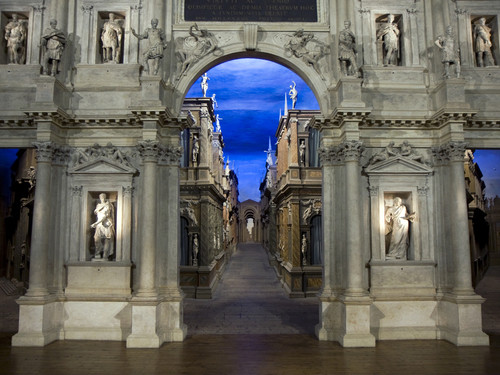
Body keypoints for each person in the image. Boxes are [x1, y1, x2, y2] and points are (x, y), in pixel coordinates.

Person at [90, 193, 115, 260]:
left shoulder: (107, 205)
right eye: (101, 197)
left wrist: (95, 223)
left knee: (107, 240)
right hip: (99, 225)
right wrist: (97, 223)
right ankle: (98, 253)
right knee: (96, 239)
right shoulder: (98, 205)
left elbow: (104, 216)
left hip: (106, 224)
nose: (102, 198)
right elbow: (97, 214)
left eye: (103, 197)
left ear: (105, 197)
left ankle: (105, 256)